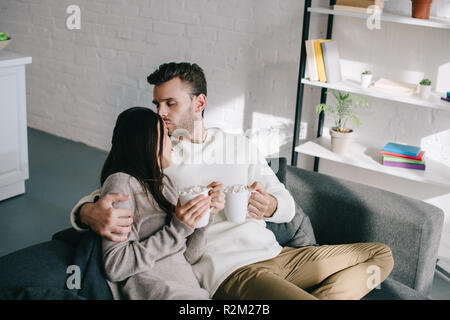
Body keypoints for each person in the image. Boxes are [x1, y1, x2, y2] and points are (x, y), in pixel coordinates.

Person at [70, 62, 394, 300]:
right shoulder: (159, 157)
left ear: (199, 103)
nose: (161, 112)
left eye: (170, 103)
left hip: (278, 256)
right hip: (231, 272)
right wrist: (86, 212)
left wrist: (270, 206)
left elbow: (287, 205)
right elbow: (113, 187)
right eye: (157, 104)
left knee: (380, 255)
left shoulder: (238, 144)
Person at [99, 106, 211, 300]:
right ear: (148, 142)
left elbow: (187, 258)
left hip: (196, 294)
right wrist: (177, 230)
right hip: (162, 294)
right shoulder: (122, 183)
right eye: (167, 135)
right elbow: (116, 266)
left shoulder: (167, 184)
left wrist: (201, 220)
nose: (172, 143)